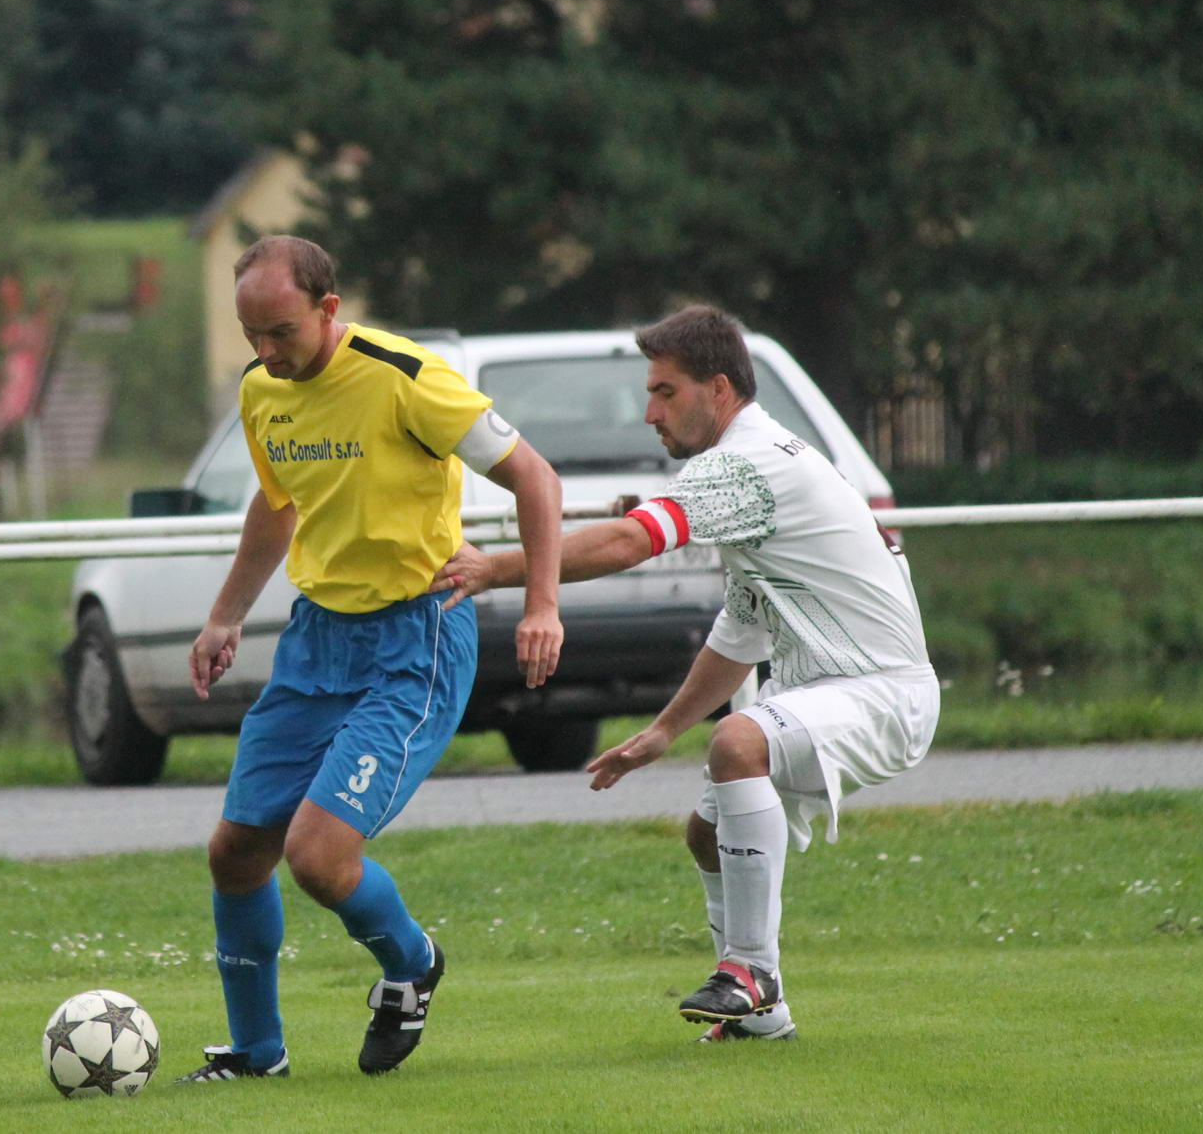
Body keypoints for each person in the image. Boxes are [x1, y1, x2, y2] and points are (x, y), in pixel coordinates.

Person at [433, 303, 938, 1042]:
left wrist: (496, 567)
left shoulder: (744, 464)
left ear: (720, 389)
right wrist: (663, 731)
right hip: (829, 692)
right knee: (707, 833)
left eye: (665, 392)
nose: (649, 413)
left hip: (881, 692)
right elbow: (740, 633)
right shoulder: (758, 468)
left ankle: (751, 972)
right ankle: (763, 1018)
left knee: (737, 743)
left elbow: (629, 540)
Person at [179, 235, 566, 1082]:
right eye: (251, 335)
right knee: (236, 850)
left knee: (317, 856)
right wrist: (224, 616)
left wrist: (542, 603)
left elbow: (536, 478)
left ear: (329, 308)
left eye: (281, 331)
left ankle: (414, 962)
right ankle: (257, 1052)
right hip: (317, 639)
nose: (267, 352)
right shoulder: (262, 391)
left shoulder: (407, 376)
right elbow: (277, 507)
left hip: (415, 641)